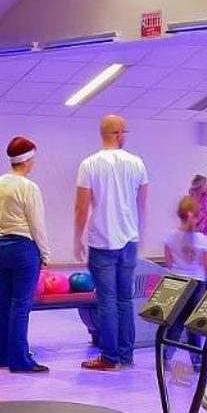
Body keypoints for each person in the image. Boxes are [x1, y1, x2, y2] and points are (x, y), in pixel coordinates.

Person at [74, 114, 148, 372]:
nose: (125, 135)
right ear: (118, 134)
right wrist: (141, 234)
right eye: (124, 131)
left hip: (102, 241)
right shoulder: (137, 163)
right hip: (129, 240)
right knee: (125, 300)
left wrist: (76, 238)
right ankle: (125, 356)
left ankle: (109, 357)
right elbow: (142, 205)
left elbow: (81, 208)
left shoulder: (89, 165)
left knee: (107, 301)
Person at [0, 136, 51, 374]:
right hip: (24, 249)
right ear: (27, 160)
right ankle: (20, 361)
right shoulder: (28, 187)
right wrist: (45, 253)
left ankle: (0, 357)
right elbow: (37, 225)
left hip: (2, 246)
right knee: (21, 306)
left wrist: (4, 231)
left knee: (2, 303)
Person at [160, 195, 207, 384]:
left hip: (176, 283)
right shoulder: (202, 239)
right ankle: (197, 361)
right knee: (194, 325)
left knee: (175, 324)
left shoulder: (169, 237)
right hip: (196, 284)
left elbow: (168, 263)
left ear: (179, 214)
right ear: (197, 216)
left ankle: (165, 357)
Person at [188, 174, 207, 242]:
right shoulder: (205, 198)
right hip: (205, 228)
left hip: (194, 228)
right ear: (201, 187)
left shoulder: (191, 197)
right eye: (206, 185)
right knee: (204, 245)